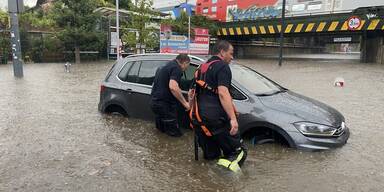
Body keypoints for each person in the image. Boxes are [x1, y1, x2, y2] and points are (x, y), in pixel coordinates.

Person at [189, 40, 246, 172]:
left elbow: (191, 94)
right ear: (222, 52)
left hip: (198, 119)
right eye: (231, 54)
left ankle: (208, 182)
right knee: (239, 153)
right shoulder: (222, 67)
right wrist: (232, 118)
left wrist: (191, 111)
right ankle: (225, 183)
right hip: (216, 119)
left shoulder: (200, 68)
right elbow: (223, 92)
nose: (232, 57)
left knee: (211, 157)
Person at [150, 54, 191, 137]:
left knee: (161, 132)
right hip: (165, 105)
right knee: (175, 136)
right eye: (188, 66)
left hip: (155, 102)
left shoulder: (168, 65)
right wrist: (185, 103)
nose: (186, 69)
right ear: (185, 63)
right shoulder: (177, 69)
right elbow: (173, 87)